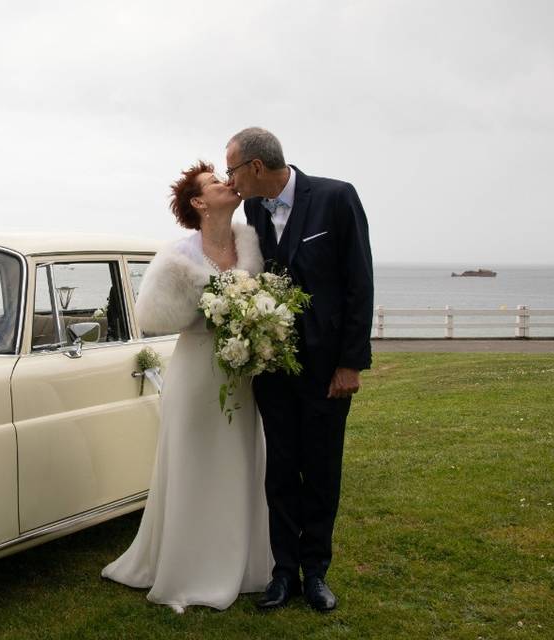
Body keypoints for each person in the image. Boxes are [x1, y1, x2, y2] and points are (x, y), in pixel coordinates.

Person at [101, 162, 273, 612]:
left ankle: (245, 562)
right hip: (197, 371)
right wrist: (207, 307)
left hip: (241, 374)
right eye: (216, 183)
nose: (227, 184)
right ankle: (189, 566)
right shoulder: (178, 255)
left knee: (239, 460)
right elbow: (152, 317)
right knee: (194, 461)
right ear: (199, 202)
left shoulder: (249, 241)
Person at [225, 127, 373, 612]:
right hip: (274, 369)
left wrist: (350, 362)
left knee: (322, 470)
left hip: (328, 369)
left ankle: (316, 574)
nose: (232, 181)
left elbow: (359, 282)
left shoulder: (336, 198)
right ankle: (283, 572)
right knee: (281, 471)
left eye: (233, 170)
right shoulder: (252, 210)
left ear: (256, 168)